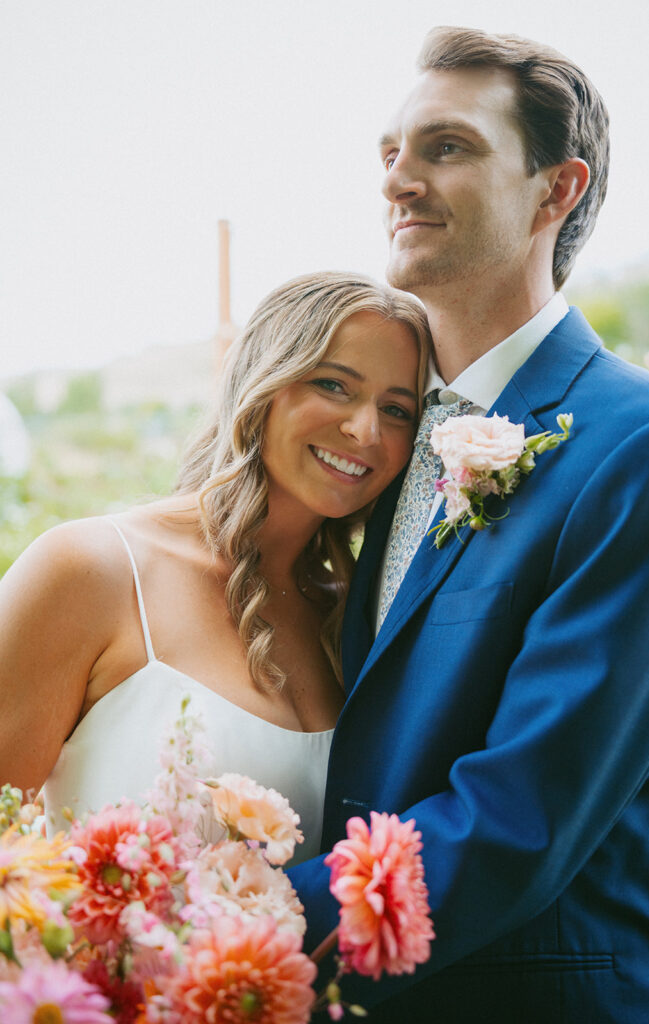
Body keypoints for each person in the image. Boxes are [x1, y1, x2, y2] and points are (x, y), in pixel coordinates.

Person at [287, 28, 649, 1021]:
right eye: (391, 151)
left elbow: (521, 818)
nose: (399, 178)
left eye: (446, 147)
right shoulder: (382, 440)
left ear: (556, 190)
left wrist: (243, 928)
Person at [0, 271, 431, 864]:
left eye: (398, 410)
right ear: (262, 384)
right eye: (333, 385)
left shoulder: (358, 617)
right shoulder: (90, 570)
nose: (365, 429)